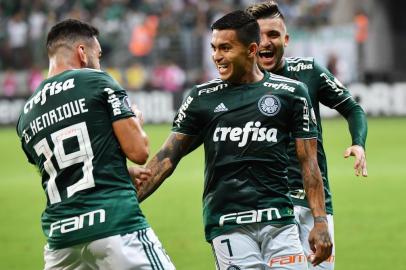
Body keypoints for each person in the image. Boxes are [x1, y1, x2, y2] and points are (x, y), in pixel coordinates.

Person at [133, 10, 332, 269]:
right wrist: (124, 205)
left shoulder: (292, 93)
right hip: (228, 225)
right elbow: (166, 159)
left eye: (225, 48)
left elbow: (309, 162)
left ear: (251, 49)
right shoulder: (201, 98)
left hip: (280, 220)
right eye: (214, 48)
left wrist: (320, 220)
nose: (217, 56)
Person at [16, 19, 175, 270]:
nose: (99, 62)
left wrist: (115, 170)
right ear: (82, 52)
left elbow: (65, 169)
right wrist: (136, 121)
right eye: (98, 55)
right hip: (115, 227)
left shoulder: (26, 114)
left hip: (61, 242)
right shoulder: (97, 82)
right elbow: (139, 152)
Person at [246, 2, 368, 269]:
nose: (266, 42)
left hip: (315, 206)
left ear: (286, 40)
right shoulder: (240, 86)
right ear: (250, 43)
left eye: (274, 35)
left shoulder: (308, 72)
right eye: (259, 36)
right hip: (267, 205)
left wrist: (358, 143)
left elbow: (352, 108)